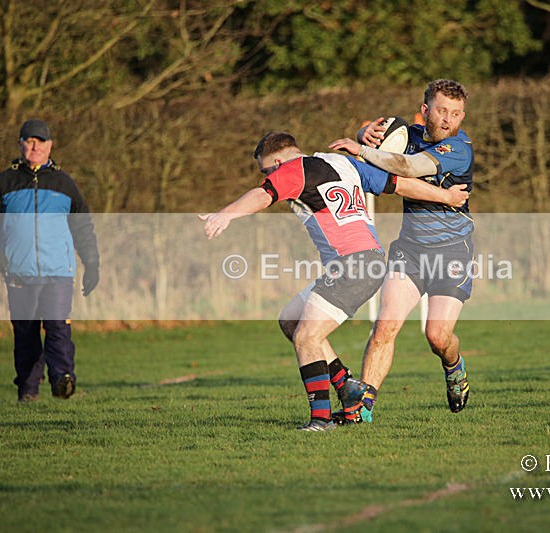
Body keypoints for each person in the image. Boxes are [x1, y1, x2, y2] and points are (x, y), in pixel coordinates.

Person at [200, 131, 468, 431]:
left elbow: (262, 195)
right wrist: (446, 196)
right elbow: (399, 185)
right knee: (290, 319)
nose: (267, 176)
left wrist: (225, 215)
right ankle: (347, 387)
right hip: (366, 261)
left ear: (277, 160)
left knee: (307, 337)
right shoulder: (342, 163)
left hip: (352, 265)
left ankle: (321, 420)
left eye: (266, 170)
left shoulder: (293, 168)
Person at [329, 79, 474, 423]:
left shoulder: (460, 148)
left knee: (437, 336)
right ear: (426, 111)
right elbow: (380, 129)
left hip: (452, 251)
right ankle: (360, 409)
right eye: (441, 111)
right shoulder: (409, 134)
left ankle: (454, 366)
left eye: (455, 114)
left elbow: (407, 168)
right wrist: (367, 131)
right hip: (409, 250)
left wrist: (362, 150)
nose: (447, 120)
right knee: (384, 327)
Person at [0, 118, 100, 402]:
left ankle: (62, 379)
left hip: (58, 272)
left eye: (40, 142)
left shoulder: (65, 184)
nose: (34, 147)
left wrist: (92, 264)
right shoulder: (3, 182)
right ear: (20, 144)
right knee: (26, 333)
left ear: (50, 146)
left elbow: (83, 227)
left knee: (57, 327)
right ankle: (28, 390)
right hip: (18, 271)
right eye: (29, 141)